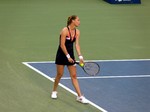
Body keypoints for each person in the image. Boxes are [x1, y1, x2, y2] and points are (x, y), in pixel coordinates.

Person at [51, 15, 88, 104]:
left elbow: (77, 45)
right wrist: (68, 56)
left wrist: (80, 57)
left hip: (71, 55)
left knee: (74, 76)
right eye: (78, 20)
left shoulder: (77, 32)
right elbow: (62, 45)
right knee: (59, 74)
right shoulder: (64, 30)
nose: (79, 22)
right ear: (72, 21)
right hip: (62, 55)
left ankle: (79, 96)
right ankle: (54, 91)